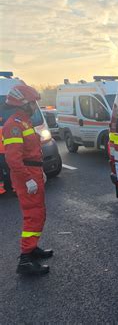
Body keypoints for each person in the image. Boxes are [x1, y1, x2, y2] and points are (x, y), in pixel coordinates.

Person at [3, 84, 53, 275]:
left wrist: (39, 172)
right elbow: (13, 159)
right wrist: (27, 179)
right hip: (26, 175)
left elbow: (30, 152)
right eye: (32, 103)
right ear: (23, 104)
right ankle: (25, 259)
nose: (35, 106)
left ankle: (32, 249)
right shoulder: (14, 125)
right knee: (33, 215)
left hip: (32, 172)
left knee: (38, 212)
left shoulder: (24, 122)